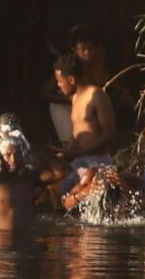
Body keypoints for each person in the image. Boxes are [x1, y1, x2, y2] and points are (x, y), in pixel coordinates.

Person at [0, 115, 66, 231]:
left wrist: (29, 146)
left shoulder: (28, 177)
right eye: (8, 155)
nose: (13, 160)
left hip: (26, 244)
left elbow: (63, 170)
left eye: (17, 154)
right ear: (0, 153)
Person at [49, 52, 117, 195]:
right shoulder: (74, 98)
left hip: (97, 163)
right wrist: (62, 155)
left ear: (71, 80)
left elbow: (109, 135)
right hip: (79, 161)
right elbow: (76, 136)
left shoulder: (97, 95)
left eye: (60, 81)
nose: (58, 85)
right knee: (54, 186)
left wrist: (78, 152)